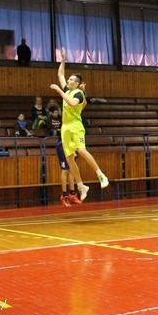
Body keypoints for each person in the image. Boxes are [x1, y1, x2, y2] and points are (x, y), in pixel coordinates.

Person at [49, 47, 109, 201]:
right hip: (65, 127)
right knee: (69, 158)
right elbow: (60, 74)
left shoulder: (79, 93)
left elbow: (71, 103)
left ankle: (100, 174)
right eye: (68, 79)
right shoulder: (68, 90)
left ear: (77, 83)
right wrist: (63, 60)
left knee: (81, 150)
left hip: (75, 125)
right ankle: (81, 185)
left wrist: (59, 92)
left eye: (71, 80)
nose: (67, 80)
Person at [55, 140, 82, 206]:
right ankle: (64, 195)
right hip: (63, 143)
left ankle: (72, 194)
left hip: (72, 143)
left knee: (72, 168)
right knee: (65, 170)